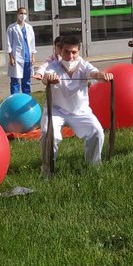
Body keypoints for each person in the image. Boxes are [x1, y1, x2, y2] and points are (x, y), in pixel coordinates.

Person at [40, 33, 113, 166]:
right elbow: (46, 78)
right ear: (60, 51)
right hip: (56, 110)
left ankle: (93, 166)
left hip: (80, 110)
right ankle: (47, 171)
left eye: (74, 52)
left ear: (79, 51)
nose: (70, 56)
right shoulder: (53, 66)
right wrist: (49, 79)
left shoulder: (84, 65)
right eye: (67, 52)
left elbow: (95, 74)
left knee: (97, 131)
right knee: (47, 135)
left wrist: (103, 76)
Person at [5, 7, 36, 95]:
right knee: (15, 80)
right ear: (17, 14)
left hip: (27, 57)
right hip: (16, 56)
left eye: (25, 14)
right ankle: (15, 98)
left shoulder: (29, 27)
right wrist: (11, 57)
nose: (23, 15)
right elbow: (9, 44)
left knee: (26, 80)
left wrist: (33, 56)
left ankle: (26, 97)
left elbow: (32, 42)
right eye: (21, 13)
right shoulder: (11, 28)